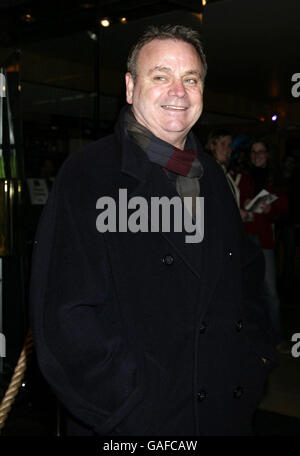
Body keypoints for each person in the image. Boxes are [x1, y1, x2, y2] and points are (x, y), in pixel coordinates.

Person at [29, 25, 276, 436]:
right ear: (130, 87)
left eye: (190, 79)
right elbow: (64, 317)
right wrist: (128, 402)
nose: (177, 92)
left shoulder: (213, 177)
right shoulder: (88, 174)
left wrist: (255, 361)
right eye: (160, 76)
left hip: (223, 414)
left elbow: (246, 279)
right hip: (137, 423)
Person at [243, 139, 288, 350]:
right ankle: (252, 337)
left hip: (264, 240)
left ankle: (276, 338)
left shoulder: (275, 180)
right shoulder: (242, 177)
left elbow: (284, 209)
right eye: (253, 151)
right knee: (247, 291)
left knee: (270, 292)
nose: (257, 155)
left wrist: (273, 210)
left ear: (267, 154)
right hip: (244, 240)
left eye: (261, 151)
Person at [205, 129, 253, 222]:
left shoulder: (225, 172)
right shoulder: (207, 171)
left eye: (229, 145)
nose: (226, 149)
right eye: (222, 144)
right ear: (212, 146)